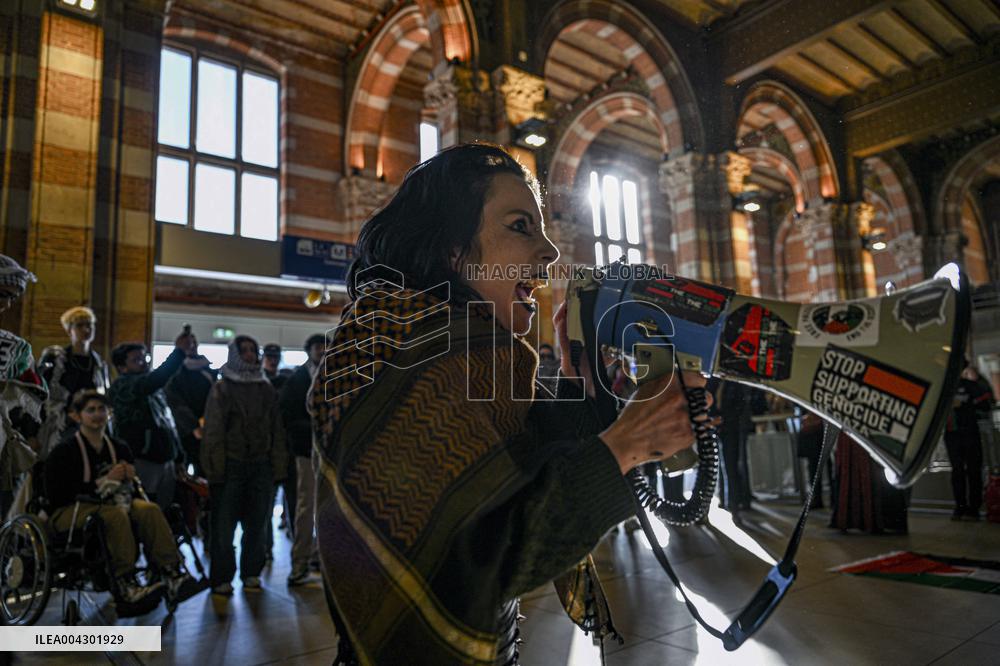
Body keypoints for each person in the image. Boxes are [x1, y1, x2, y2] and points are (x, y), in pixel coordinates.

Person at [311, 144, 704, 665]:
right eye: (521, 226)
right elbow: (489, 555)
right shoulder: (403, 355)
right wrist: (627, 442)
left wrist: (592, 389)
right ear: (452, 248)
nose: (551, 253)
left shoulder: (467, 346)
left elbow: (527, 459)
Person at [44, 390, 198, 610]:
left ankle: (171, 572)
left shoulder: (119, 448)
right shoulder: (63, 451)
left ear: (109, 413)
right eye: (91, 410)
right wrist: (102, 481)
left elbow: (132, 492)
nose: (97, 415)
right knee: (114, 515)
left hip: (114, 502)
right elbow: (57, 495)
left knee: (148, 509)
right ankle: (125, 581)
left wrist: (129, 478)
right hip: (70, 509)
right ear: (77, 416)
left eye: (102, 409)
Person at [202, 335, 286, 595]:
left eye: (253, 350)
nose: (250, 355)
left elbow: (277, 430)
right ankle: (222, 577)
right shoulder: (222, 387)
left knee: (257, 524)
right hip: (231, 465)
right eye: (245, 350)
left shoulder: (266, 387)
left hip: (260, 465)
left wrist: (278, 466)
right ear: (236, 354)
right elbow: (213, 431)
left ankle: (251, 572)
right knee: (224, 528)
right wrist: (215, 469)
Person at [109, 335, 189, 510]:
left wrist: (178, 457)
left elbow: (168, 424)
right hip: (143, 460)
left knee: (166, 508)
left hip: (165, 460)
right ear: (122, 367)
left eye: (145, 358)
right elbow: (153, 380)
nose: (144, 363)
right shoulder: (123, 385)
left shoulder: (155, 391)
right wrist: (179, 353)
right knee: (145, 507)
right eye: (136, 360)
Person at [0, 254, 45, 519]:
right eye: (3, 294)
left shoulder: (16, 348)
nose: (6, 305)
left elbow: (36, 397)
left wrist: (31, 434)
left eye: (12, 298)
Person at [37, 306, 111, 458]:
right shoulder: (56, 358)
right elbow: (39, 393)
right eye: (80, 325)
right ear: (69, 329)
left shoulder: (98, 363)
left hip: (92, 422)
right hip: (61, 424)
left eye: (89, 325)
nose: (86, 329)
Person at [281, 333, 325, 586]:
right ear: (309, 350)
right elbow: (287, 413)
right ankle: (299, 563)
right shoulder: (297, 378)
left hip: (329, 451)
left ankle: (320, 557)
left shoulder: (337, 375)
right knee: (306, 507)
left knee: (326, 508)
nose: (321, 350)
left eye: (324, 346)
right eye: (317, 347)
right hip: (306, 451)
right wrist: (313, 427)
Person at [944, 363, 995, 520]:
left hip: (970, 433)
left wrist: (968, 406)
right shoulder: (944, 389)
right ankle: (960, 508)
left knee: (973, 470)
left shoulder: (972, 386)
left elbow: (987, 403)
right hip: (952, 433)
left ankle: (973, 509)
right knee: (957, 471)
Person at [164, 332, 217, 478]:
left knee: (206, 474)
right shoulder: (174, 372)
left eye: (193, 342)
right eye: (187, 343)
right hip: (183, 431)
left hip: (208, 429)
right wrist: (193, 426)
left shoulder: (207, 370)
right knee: (181, 476)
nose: (191, 346)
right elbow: (175, 402)